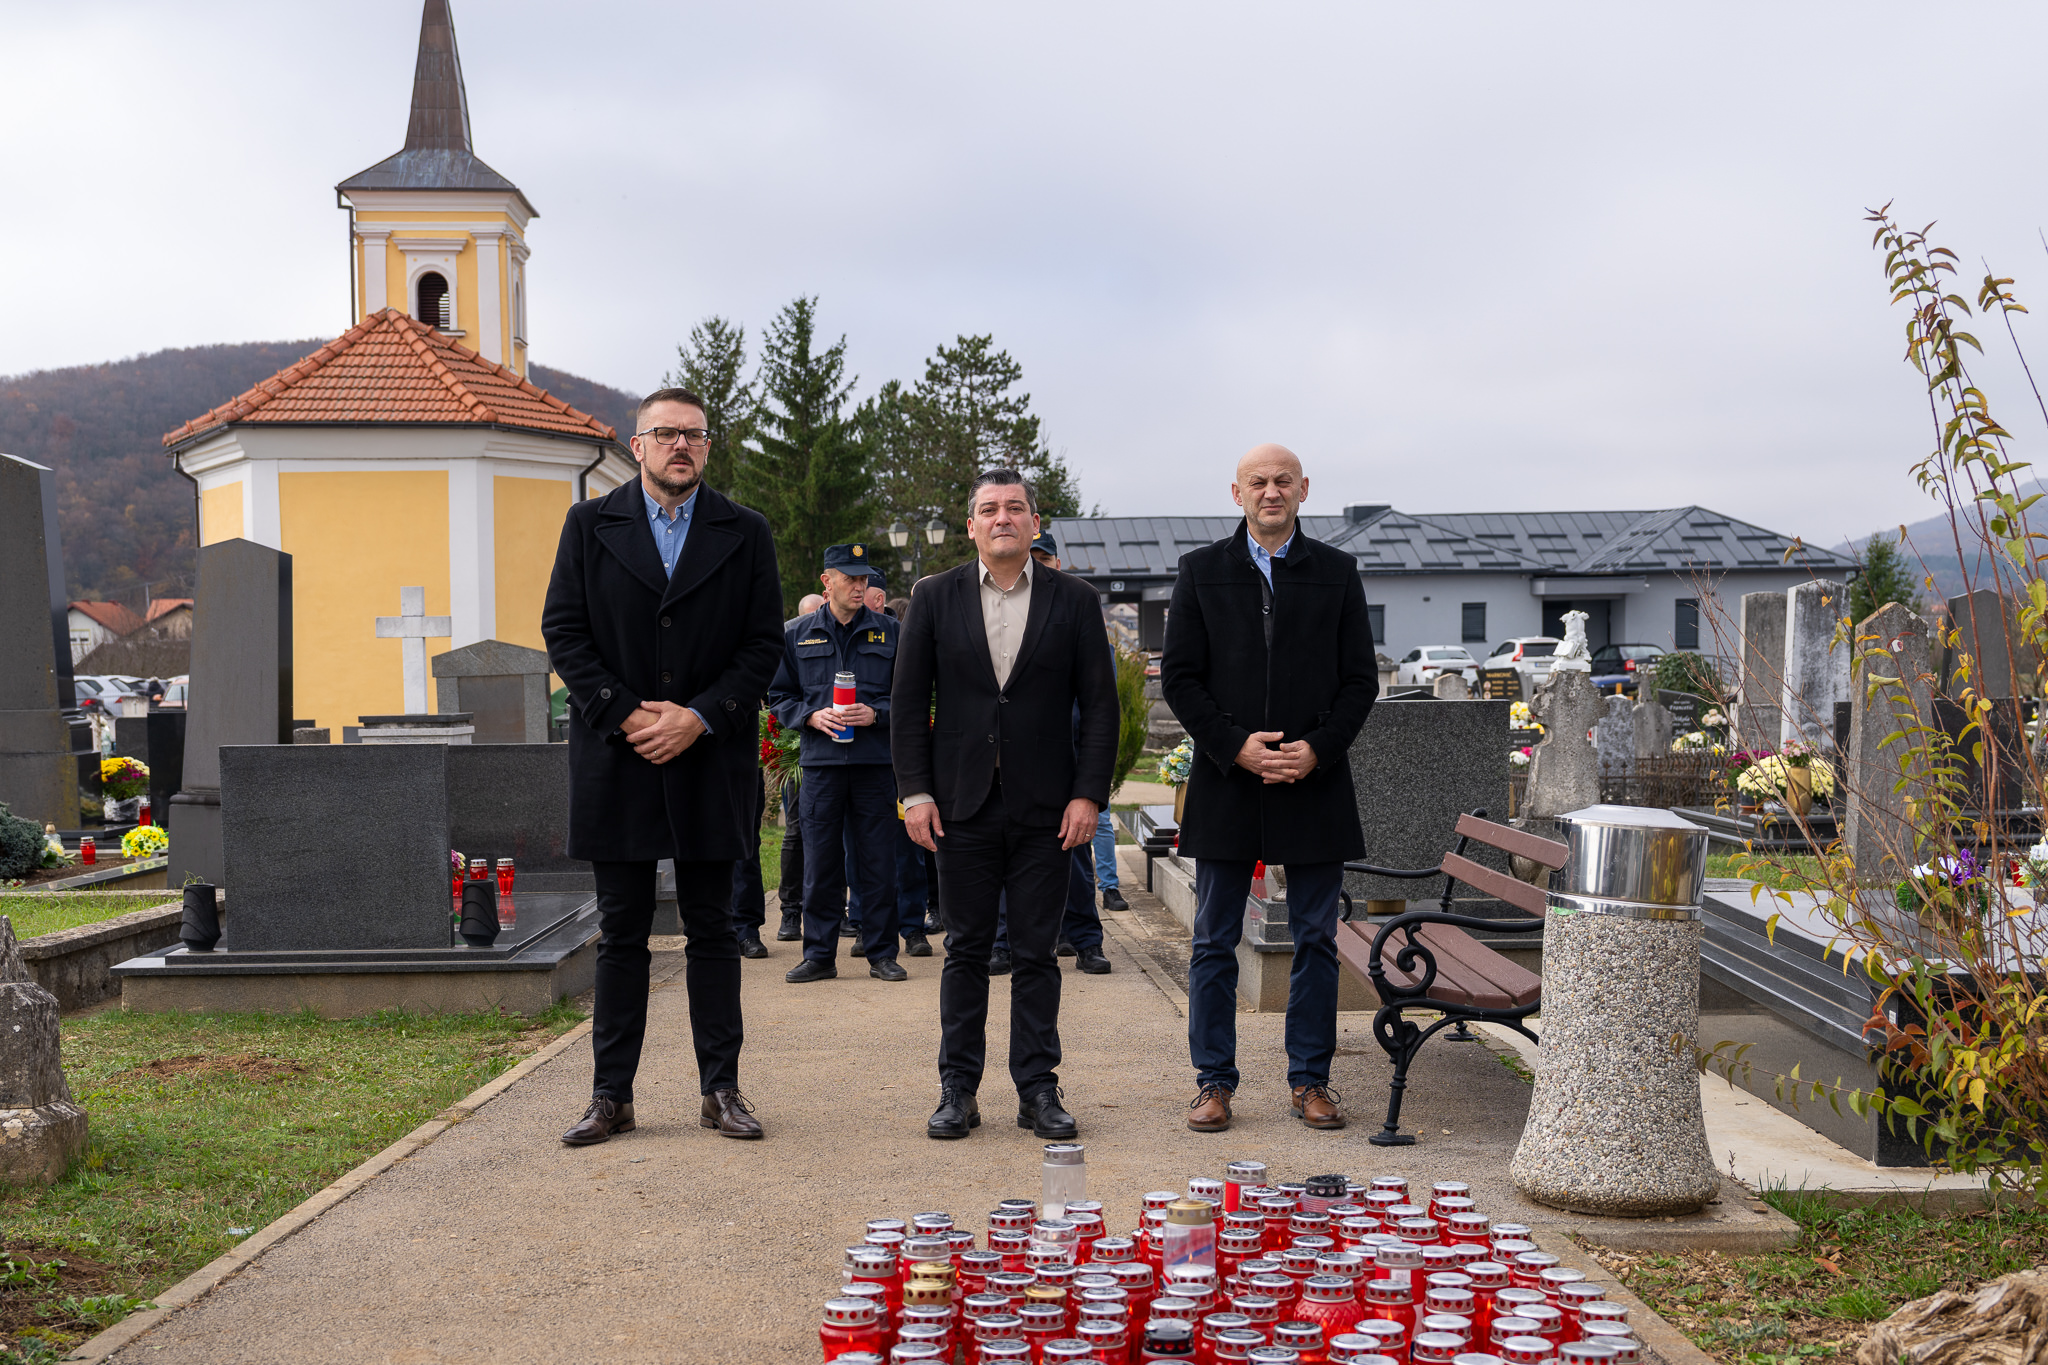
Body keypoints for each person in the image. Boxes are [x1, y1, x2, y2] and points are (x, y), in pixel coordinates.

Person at [541, 386, 783, 1145]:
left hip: (709, 757)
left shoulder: (744, 530)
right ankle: (610, 1096)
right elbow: (564, 629)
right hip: (619, 756)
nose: (682, 445)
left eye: (695, 435)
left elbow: (762, 643)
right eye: (667, 433)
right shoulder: (589, 524)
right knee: (622, 933)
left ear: (706, 447)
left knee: (714, 929)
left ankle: (721, 1090)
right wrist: (625, 712)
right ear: (638, 445)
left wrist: (700, 716)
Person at [1160, 443, 1378, 1134]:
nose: (1271, 491)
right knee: (1213, 940)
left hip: (1314, 781)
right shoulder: (1200, 571)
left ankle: (1310, 1079)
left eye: (1284, 480)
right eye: (1258, 481)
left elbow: (1360, 680)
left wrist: (1318, 748)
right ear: (1238, 493)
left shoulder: (1337, 573)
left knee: (1315, 937)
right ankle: (1213, 1082)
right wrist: (1234, 745)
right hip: (1229, 780)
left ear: (1303, 489)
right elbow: (1180, 678)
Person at [894, 469, 1118, 1141]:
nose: (1002, 518)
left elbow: (1100, 707)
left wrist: (1088, 794)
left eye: (1014, 507)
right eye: (989, 508)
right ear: (971, 526)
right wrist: (915, 792)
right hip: (959, 805)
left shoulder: (1074, 600)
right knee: (965, 949)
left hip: (1047, 807)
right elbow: (908, 703)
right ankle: (958, 1089)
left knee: (1037, 952)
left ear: (1034, 522)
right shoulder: (934, 596)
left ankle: (1038, 1088)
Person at [767, 544, 906, 983]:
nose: (859, 586)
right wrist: (810, 715)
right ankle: (819, 955)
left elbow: (909, 696)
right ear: (827, 582)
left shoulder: (891, 632)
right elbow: (778, 696)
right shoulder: (797, 634)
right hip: (822, 765)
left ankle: (882, 954)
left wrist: (876, 713)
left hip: (873, 765)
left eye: (863, 579)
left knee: (878, 862)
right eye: (850, 578)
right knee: (820, 864)